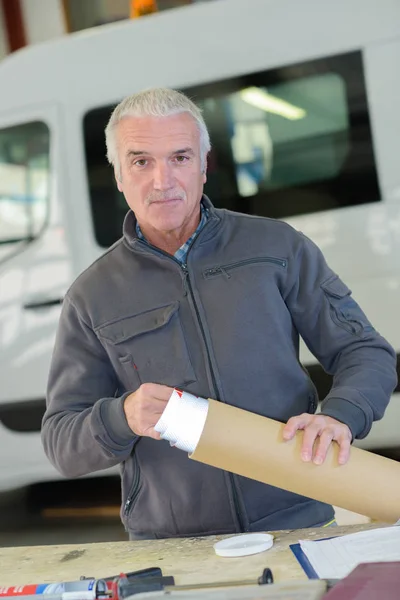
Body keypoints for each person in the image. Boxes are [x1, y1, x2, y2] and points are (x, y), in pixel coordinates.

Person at [42, 88, 397, 540]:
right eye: (141, 161)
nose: (162, 180)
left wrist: (341, 415)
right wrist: (123, 416)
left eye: (180, 157)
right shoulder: (91, 296)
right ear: (118, 174)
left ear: (204, 164)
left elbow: (365, 352)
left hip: (297, 526)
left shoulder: (276, 249)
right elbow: (61, 442)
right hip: (171, 545)